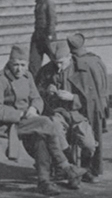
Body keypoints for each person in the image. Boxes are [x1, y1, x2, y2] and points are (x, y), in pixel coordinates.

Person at [0, 45, 83, 196]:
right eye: (15, 65)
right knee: (46, 123)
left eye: (23, 65)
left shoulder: (27, 76)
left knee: (41, 137)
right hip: (5, 125)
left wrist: (34, 109)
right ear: (9, 62)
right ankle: (65, 166)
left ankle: (44, 182)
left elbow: (37, 98)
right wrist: (22, 113)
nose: (19, 69)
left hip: (25, 121)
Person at [35, 41, 99, 181]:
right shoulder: (46, 71)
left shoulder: (82, 70)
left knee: (88, 144)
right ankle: (70, 167)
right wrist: (46, 91)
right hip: (57, 113)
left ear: (69, 57)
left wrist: (73, 97)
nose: (58, 66)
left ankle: (85, 168)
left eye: (61, 62)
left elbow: (92, 98)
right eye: (55, 62)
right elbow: (35, 93)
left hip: (79, 114)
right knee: (56, 134)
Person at [67, 33, 110, 182]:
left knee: (79, 138)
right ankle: (91, 169)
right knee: (94, 138)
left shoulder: (75, 64)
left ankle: (77, 170)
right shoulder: (97, 60)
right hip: (99, 105)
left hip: (82, 105)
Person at [28, 0, 58, 76]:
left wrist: (50, 34)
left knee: (56, 59)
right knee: (34, 61)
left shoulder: (48, 2)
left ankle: (60, 78)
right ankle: (34, 81)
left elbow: (52, 19)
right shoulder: (38, 2)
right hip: (37, 35)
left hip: (47, 35)